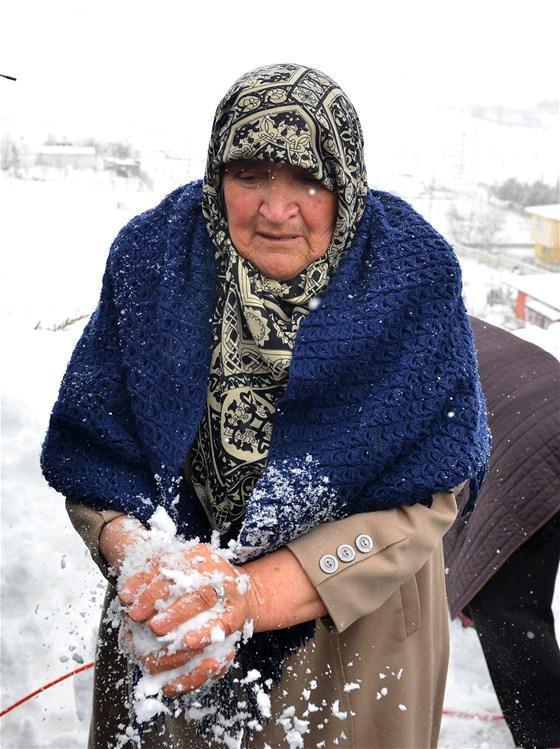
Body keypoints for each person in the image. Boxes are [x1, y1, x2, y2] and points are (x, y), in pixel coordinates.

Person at [41, 63, 490, 749]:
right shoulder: (151, 260)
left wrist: (247, 597)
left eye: (308, 179)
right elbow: (95, 452)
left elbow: (430, 492)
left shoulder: (411, 280)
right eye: (250, 174)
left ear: (345, 182)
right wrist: (145, 563)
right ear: (217, 171)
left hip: (352, 636)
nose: (276, 209)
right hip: (168, 631)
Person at [444, 318, 560, 749]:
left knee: (508, 607)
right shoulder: (441, 312)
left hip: (524, 442)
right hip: (544, 401)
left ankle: (547, 733)